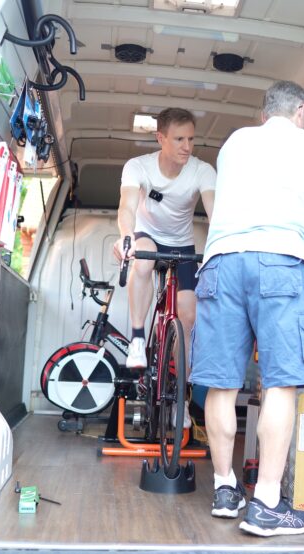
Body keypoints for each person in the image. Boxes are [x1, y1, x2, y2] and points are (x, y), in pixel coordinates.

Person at [190, 81, 304, 537]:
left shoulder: (235, 142)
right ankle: (268, 505)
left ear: (262, 114)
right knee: (282, 381)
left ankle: (223, 489)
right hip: (279, 260)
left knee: (220, 382)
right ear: (301, 110)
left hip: (221, 263)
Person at [113, 108, 216, 373]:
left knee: (188, 315)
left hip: (182, 243)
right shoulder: (138, 167)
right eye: (179, 139)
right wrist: (126, 236)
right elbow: (127, 206)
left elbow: (216, 212)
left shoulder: (202, 171)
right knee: (144, 260)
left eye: (191, 139)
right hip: (147, 236)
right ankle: (137, 337)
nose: (187, 147)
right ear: (161, 138)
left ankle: (181, 385)